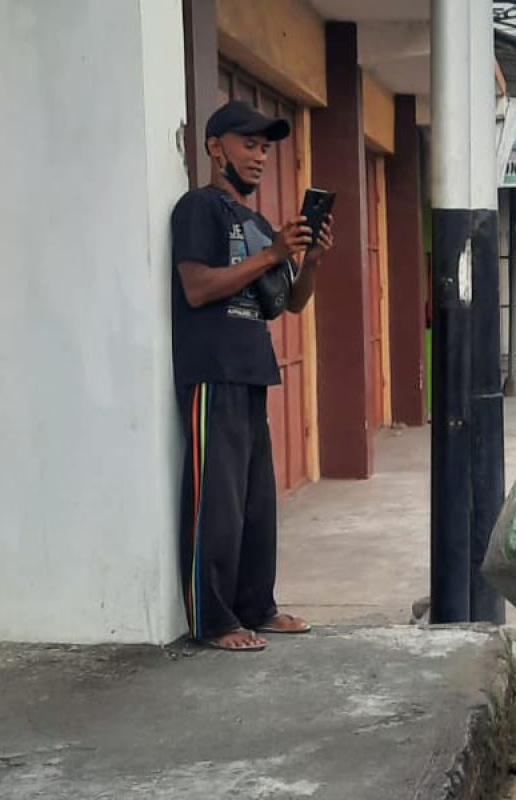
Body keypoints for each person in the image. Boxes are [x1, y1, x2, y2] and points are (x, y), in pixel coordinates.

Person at [170, 100, 334, 651]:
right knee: (216, 501)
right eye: (248, 144)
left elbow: (288, 304)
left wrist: (307, 259)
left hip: (252, 370)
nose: (260, 156)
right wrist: (271, 257)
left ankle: (256, 607)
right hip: (211, 372)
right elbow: (196, 288)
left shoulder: (260, 224)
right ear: (216, 148)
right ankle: (213, 620)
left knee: (255, 504)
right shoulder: (199, 209)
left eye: (265, 147)